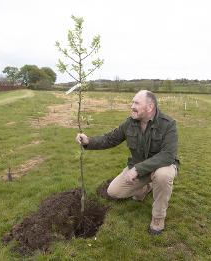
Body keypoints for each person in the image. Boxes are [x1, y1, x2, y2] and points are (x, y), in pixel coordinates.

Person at [75, 90, 179, 235]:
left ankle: (158, 218)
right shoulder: (129, 123)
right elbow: (110, 139)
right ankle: (145, 187)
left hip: (161, 167)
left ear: (150, 107)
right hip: (139, 168)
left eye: (136, 103)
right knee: (113, 192)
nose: (132, 106)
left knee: (163, 176)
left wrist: (138, 169)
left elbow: (168, 155)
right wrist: (89, 141)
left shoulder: (168, 125)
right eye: (132, 102)